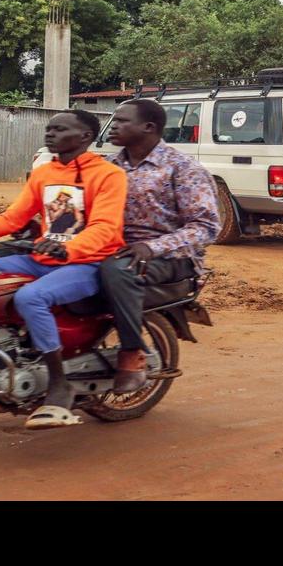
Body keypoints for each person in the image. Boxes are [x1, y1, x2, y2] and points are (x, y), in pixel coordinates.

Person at [0, 110, 126, 429]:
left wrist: (67, 247)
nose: (50, 134)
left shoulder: (108, 175)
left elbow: (105, 227)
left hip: (88, 263)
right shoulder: (44, 173)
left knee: (31, 298)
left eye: (60, 129)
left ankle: (58, 382)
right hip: (42, 258)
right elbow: (12, 219)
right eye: (49, 129)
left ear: (85, 136)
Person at [100, 99, 220, 393]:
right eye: (113, 120)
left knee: (117, 271)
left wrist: (152, 247)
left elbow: (205, 227)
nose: (113, 126)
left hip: (170, 258)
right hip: (114, 247)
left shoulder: (182, 168)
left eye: (122, 121)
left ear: (148, 127)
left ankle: (132, 353)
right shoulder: (108, 166)